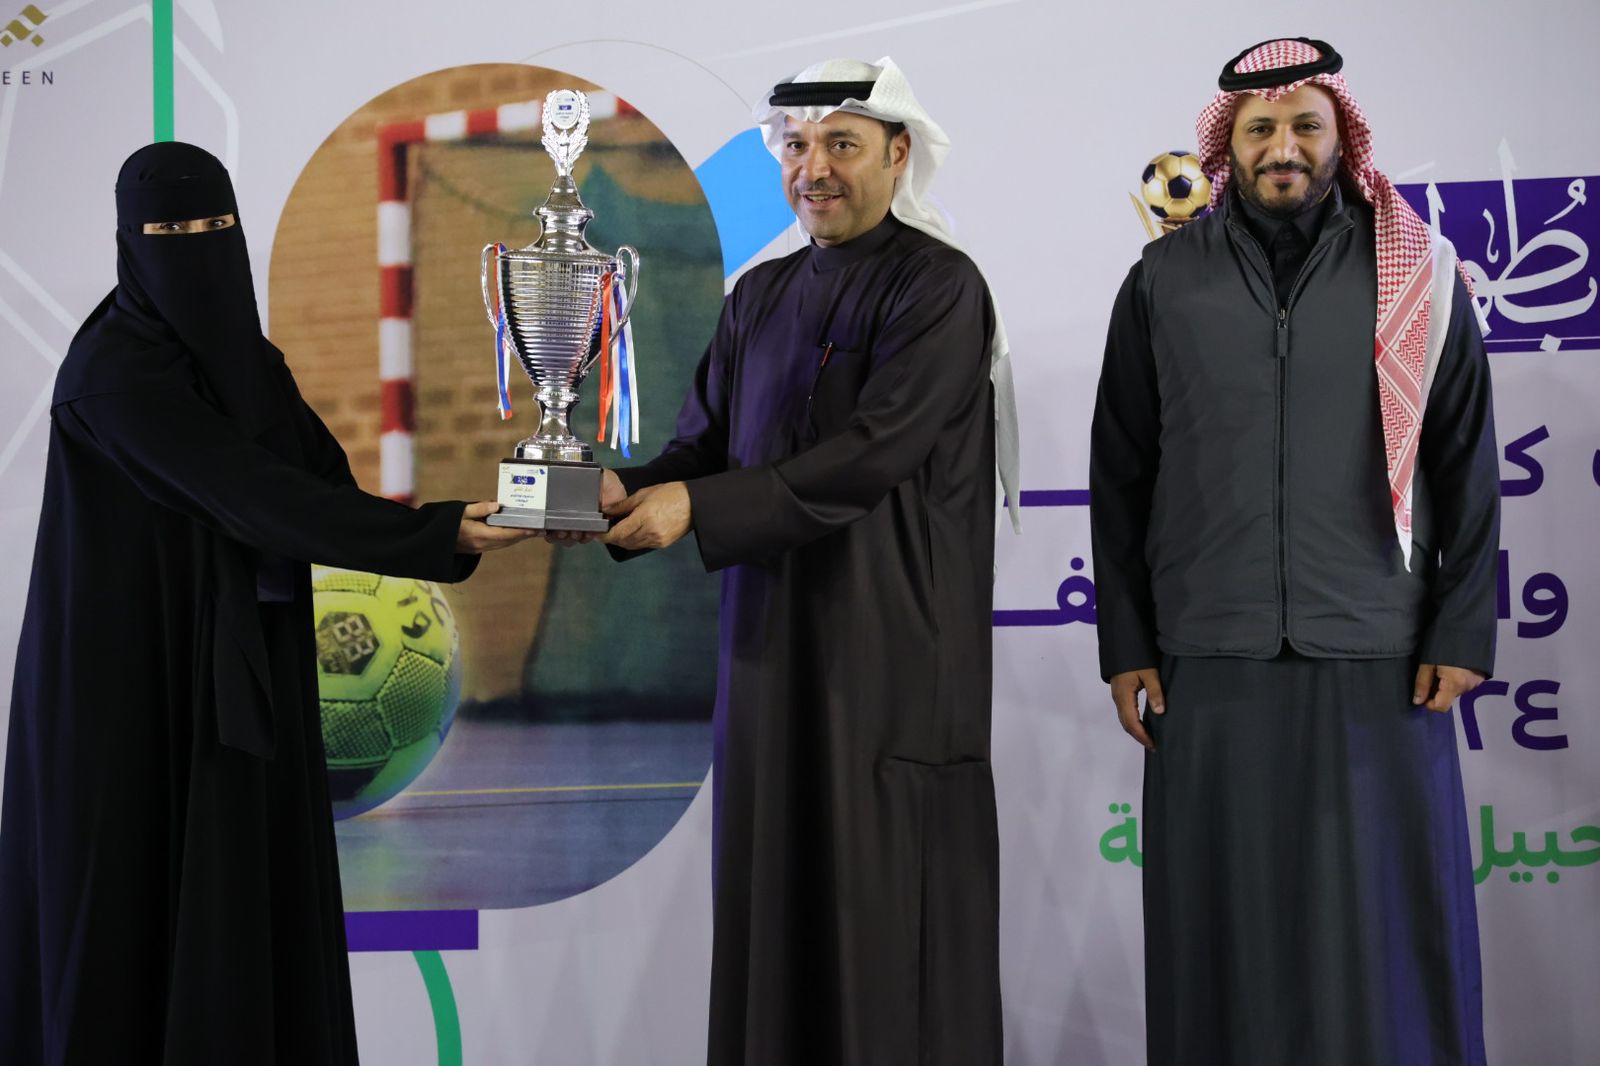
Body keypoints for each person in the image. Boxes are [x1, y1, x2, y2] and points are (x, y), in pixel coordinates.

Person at [0, 142, 535, 1065]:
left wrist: (467, 516)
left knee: (246, 912)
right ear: (131, 241)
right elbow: (255, 496)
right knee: (132, 921)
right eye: (171, 231)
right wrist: (434, 535)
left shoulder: (247, 364)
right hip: (128, 697)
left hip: (237, 676)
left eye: (216, 226)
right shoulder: (113, 374)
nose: (197, 248)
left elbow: (317, 481)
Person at [582, 57, 1019, 1065]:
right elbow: (705, 449)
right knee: (772, 904)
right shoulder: (760, 294)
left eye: (841, 145)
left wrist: (695, 505)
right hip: (769, 654)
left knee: (887, 915)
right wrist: (617, 488)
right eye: (797, 146)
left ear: (897, 155)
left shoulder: (940, 286)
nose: (813, 169)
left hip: (892, 656)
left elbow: (871, 453)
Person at [1090, 38, 1498, 1066]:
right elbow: (1121, 473)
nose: (1283, 146)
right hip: (1207, 657)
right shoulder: (1162, 279)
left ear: (1340, 137)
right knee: (1219, 938)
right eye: (1260, 128)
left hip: (1377, 655)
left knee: (1382, 941)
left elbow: (1466, 465)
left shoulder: (1418, 275)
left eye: (1305, 125)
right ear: (1226, 145)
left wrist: (1461, 629)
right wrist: (1126, 642)